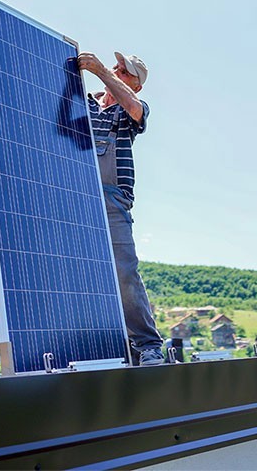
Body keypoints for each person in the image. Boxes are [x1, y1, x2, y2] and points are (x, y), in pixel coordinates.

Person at [77, 51, 165, 366]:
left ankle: (147, 345)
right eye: (115, 67)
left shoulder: (130, 112)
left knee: (124, 273)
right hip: (73, 195)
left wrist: (101, 71)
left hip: (112, 199)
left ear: (136, 86)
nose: (116, 72)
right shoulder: (82, 102)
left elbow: (134, 109)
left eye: (123, 72)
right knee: (74, 274)